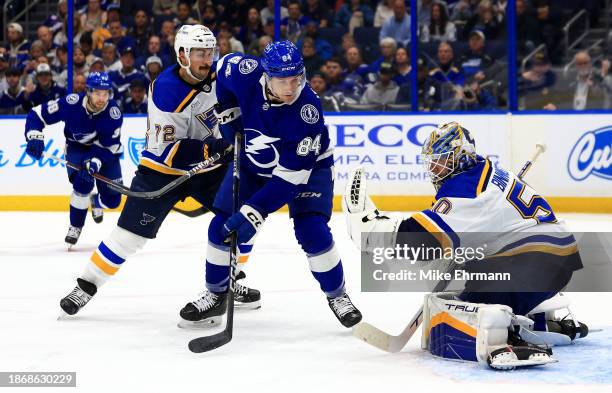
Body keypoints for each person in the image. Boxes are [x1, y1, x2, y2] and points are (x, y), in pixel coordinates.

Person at [343, 121, 586, 369]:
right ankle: (541, 320)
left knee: (464, 314)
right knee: (472, 281)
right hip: (551, 260)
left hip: (536, 265)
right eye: (432, 161)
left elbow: (421, 241)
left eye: (442, 160)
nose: (435, 168)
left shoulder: (468, 188)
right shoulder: (482, 169)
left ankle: (503, 341)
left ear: (461, 156)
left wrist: (372, 231)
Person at [57, 25, 261, 319]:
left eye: (210, 52)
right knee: (128, 236)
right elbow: (169, 149)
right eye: (199, 53)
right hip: (162, 169)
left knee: (245, 217)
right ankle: (86, 286)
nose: (207, 59)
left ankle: (228, 279)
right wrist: (214, 147)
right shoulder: (166, 90)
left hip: (213, 167)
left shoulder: (222, 76)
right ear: (182, 54)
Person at [179, 40, 362, 328]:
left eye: (296, 79)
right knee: (221, 226)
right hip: (254, 161)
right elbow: (222, 69)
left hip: (308, 169)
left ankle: (337, 295)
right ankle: (216, 295)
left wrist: (255, 210)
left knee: (311, 229)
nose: (290, 88)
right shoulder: (243, 71)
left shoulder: (307, 111)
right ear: (266, 75)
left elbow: (290, 180)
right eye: (282, 81)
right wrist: (228, 113)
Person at [23, 72, 123, 247]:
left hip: (105, 152)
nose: (102, 98)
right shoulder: (71, 103)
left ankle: (97, 200)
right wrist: (34, 136)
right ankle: (75, 226)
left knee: (113, 201)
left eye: (105, 93)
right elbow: (36, 114)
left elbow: (108, 147)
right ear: (88, 91)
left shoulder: (113, 114)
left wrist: (94, 163)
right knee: (82, 184)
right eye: (98, 93)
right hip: (77, 149)